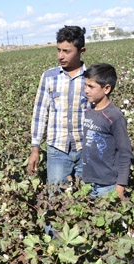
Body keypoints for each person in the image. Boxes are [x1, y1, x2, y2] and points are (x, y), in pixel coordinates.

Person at [27, 25, 88, 188]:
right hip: (57, 150)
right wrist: (35, 148)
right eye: (58, 50)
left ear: (81, 51)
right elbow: (40, 113)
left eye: (66, 51)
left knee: (88, 199)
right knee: (56, 201)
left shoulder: (91, 77)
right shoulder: (49, 77)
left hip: (86, 149)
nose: (60, 56)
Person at [81, 63, 133, 198]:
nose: (86, 90)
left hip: (108, 184)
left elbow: (125, 152)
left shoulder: (114, 116)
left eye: (91, 87)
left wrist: (121, 185)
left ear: (107, 88)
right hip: (88, 182)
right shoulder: (88, 111)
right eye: (85, 85)